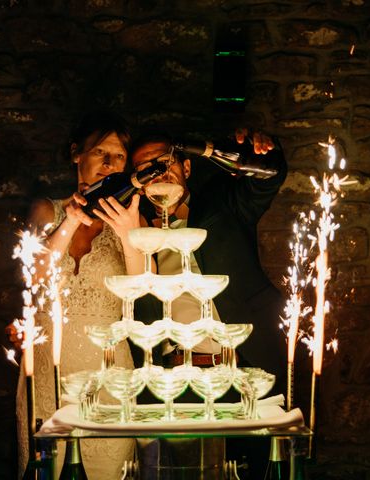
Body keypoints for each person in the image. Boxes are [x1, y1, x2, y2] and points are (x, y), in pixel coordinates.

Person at [131, 128, 288, 479]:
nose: (157, 173)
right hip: (175, 380)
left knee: (259, 470)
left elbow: (267, 179)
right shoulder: (136, 235)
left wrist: (260, 151)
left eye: (165, 163)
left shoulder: (222, 202)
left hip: (243, 371)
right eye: (146, 168)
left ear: (186, 167)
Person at [11, 110, 146, 479]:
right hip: (45, 375)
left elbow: (144, 292)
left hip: (109, 377)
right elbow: (33, 279)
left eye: (119, 156)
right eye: (101, 152)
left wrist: (131, 237)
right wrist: (70, 221)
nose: (110, 163)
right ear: (76, 154)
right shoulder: (45, 210)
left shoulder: (133, 219)